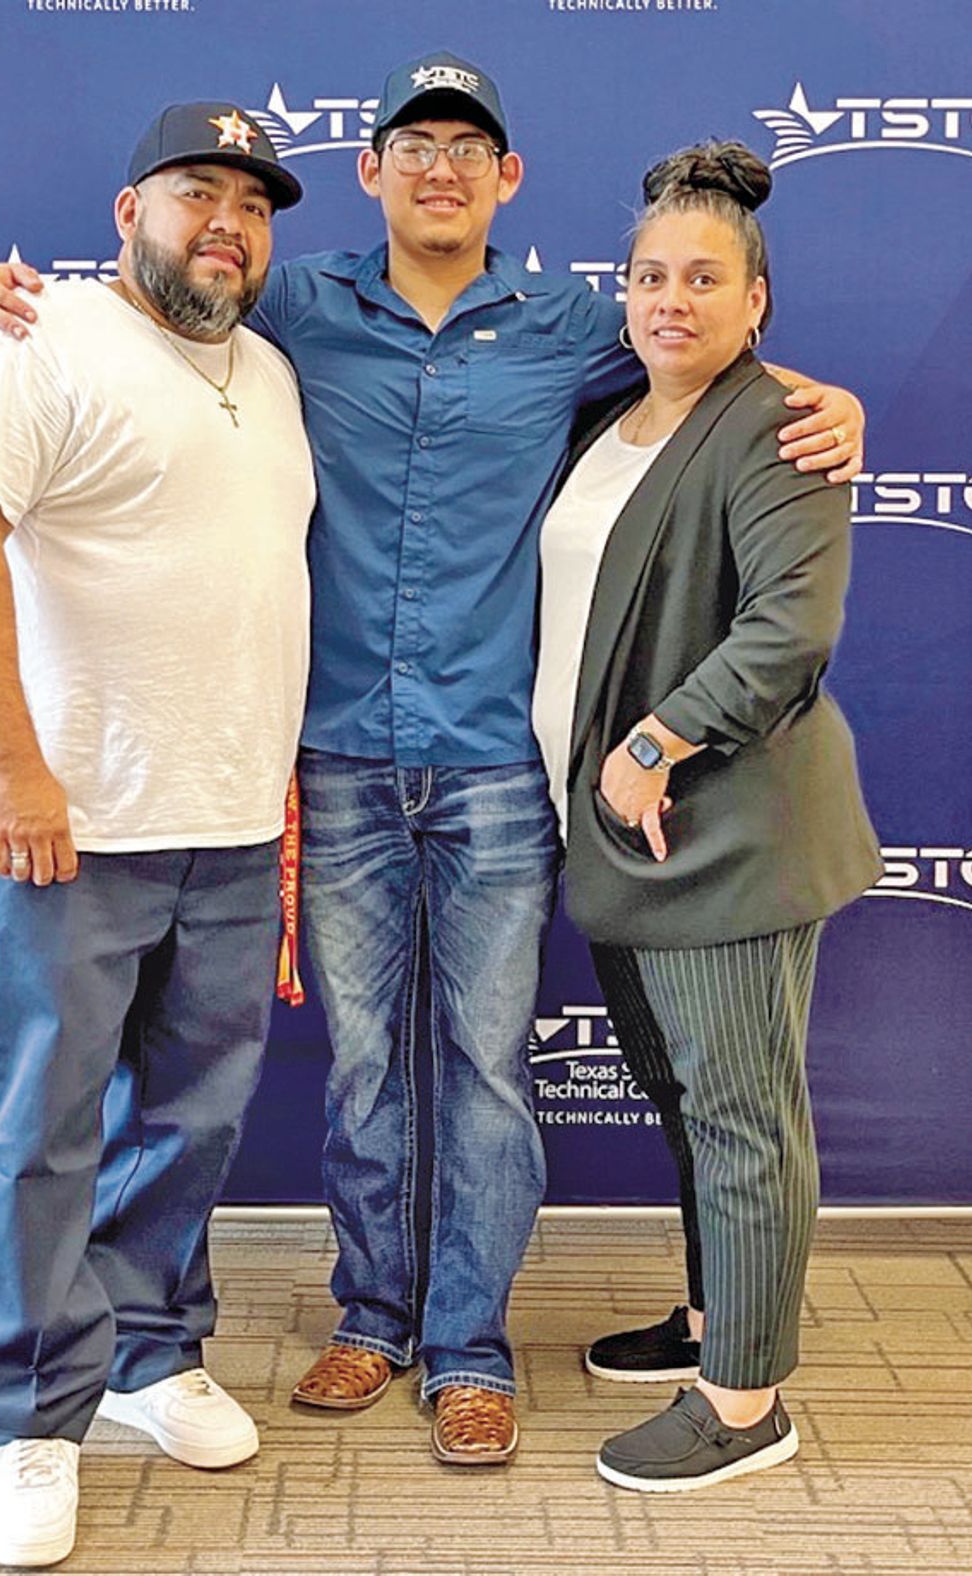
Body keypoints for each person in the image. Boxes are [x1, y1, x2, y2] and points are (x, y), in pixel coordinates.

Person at [0, 53, 865, 1469]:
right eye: (410, 143)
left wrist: (825, 399)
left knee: (488, 1071)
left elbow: (707, 350)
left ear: (506, 180)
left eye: (469, 147)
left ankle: (468, 1348)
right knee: (366, 1069)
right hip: (332, 769)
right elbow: (136, 304)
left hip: (497, 768)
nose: (439, 166)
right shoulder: (287, 308)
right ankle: (371, 1319)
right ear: (369, 174)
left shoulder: (576, 318)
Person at [0, 103, 315, 1567]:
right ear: (126, 206)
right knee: (38, 1130)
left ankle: (149, 1352)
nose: (226, 221)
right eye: (196, 193)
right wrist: (13, 768)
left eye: (253, 205)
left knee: (193, 1117)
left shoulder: (268, 369)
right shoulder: (35, 339)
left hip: (227, 817)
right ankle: (27, 1417)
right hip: (66, 823)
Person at [533, 140, 881, 1491]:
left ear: (757, 302)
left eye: (703, 278)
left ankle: (746, 1403)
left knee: (743, 1116)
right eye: (649, 274)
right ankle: (708, 1319)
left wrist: (655, 740)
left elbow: (792, 631)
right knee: (689, 1100)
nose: (670, 298)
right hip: (625, 835)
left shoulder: (779, 425)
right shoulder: (610, 415)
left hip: (721, 829)